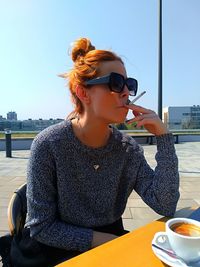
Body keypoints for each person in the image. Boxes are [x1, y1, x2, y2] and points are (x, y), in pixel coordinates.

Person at [10, 37, 180, 267]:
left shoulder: (127, 150)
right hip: (54, 249)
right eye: (116, 82)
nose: (126, 92)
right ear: (83, 93)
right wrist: (106, 241)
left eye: (129, 84)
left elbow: (165, 204)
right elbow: (41, 226)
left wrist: (164, 139)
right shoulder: (49, 144)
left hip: (110, 245)